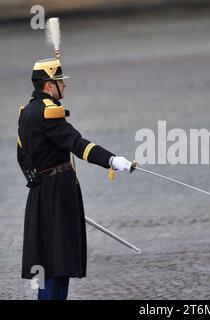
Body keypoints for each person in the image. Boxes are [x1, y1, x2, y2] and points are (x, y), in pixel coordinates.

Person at [17, 57, 136, 300]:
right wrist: (112, 160)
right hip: (58, 193)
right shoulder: (48, 113)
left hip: (40, 192)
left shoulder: (26, 112)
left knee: (50, 261)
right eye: (60, 81)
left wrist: (36, 180)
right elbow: (77, 145)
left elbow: (22, 155)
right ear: (49, 85)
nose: (65, 85)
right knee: (56, 262)